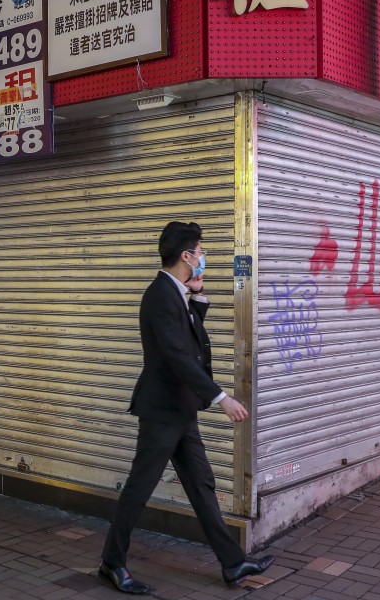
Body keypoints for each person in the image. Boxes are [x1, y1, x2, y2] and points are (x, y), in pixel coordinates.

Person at [99, 222, 274, 593]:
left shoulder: (176, 292)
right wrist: (220, 397)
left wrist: (198, 297)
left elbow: (186, 337)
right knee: (139, 488)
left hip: (180, 410)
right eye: (201, 252)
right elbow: (178, 355)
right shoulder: (160, 295)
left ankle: (233, 564)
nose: (203, 258)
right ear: (186, 256)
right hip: (163, 410)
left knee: (202, 485)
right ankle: (112, 564)